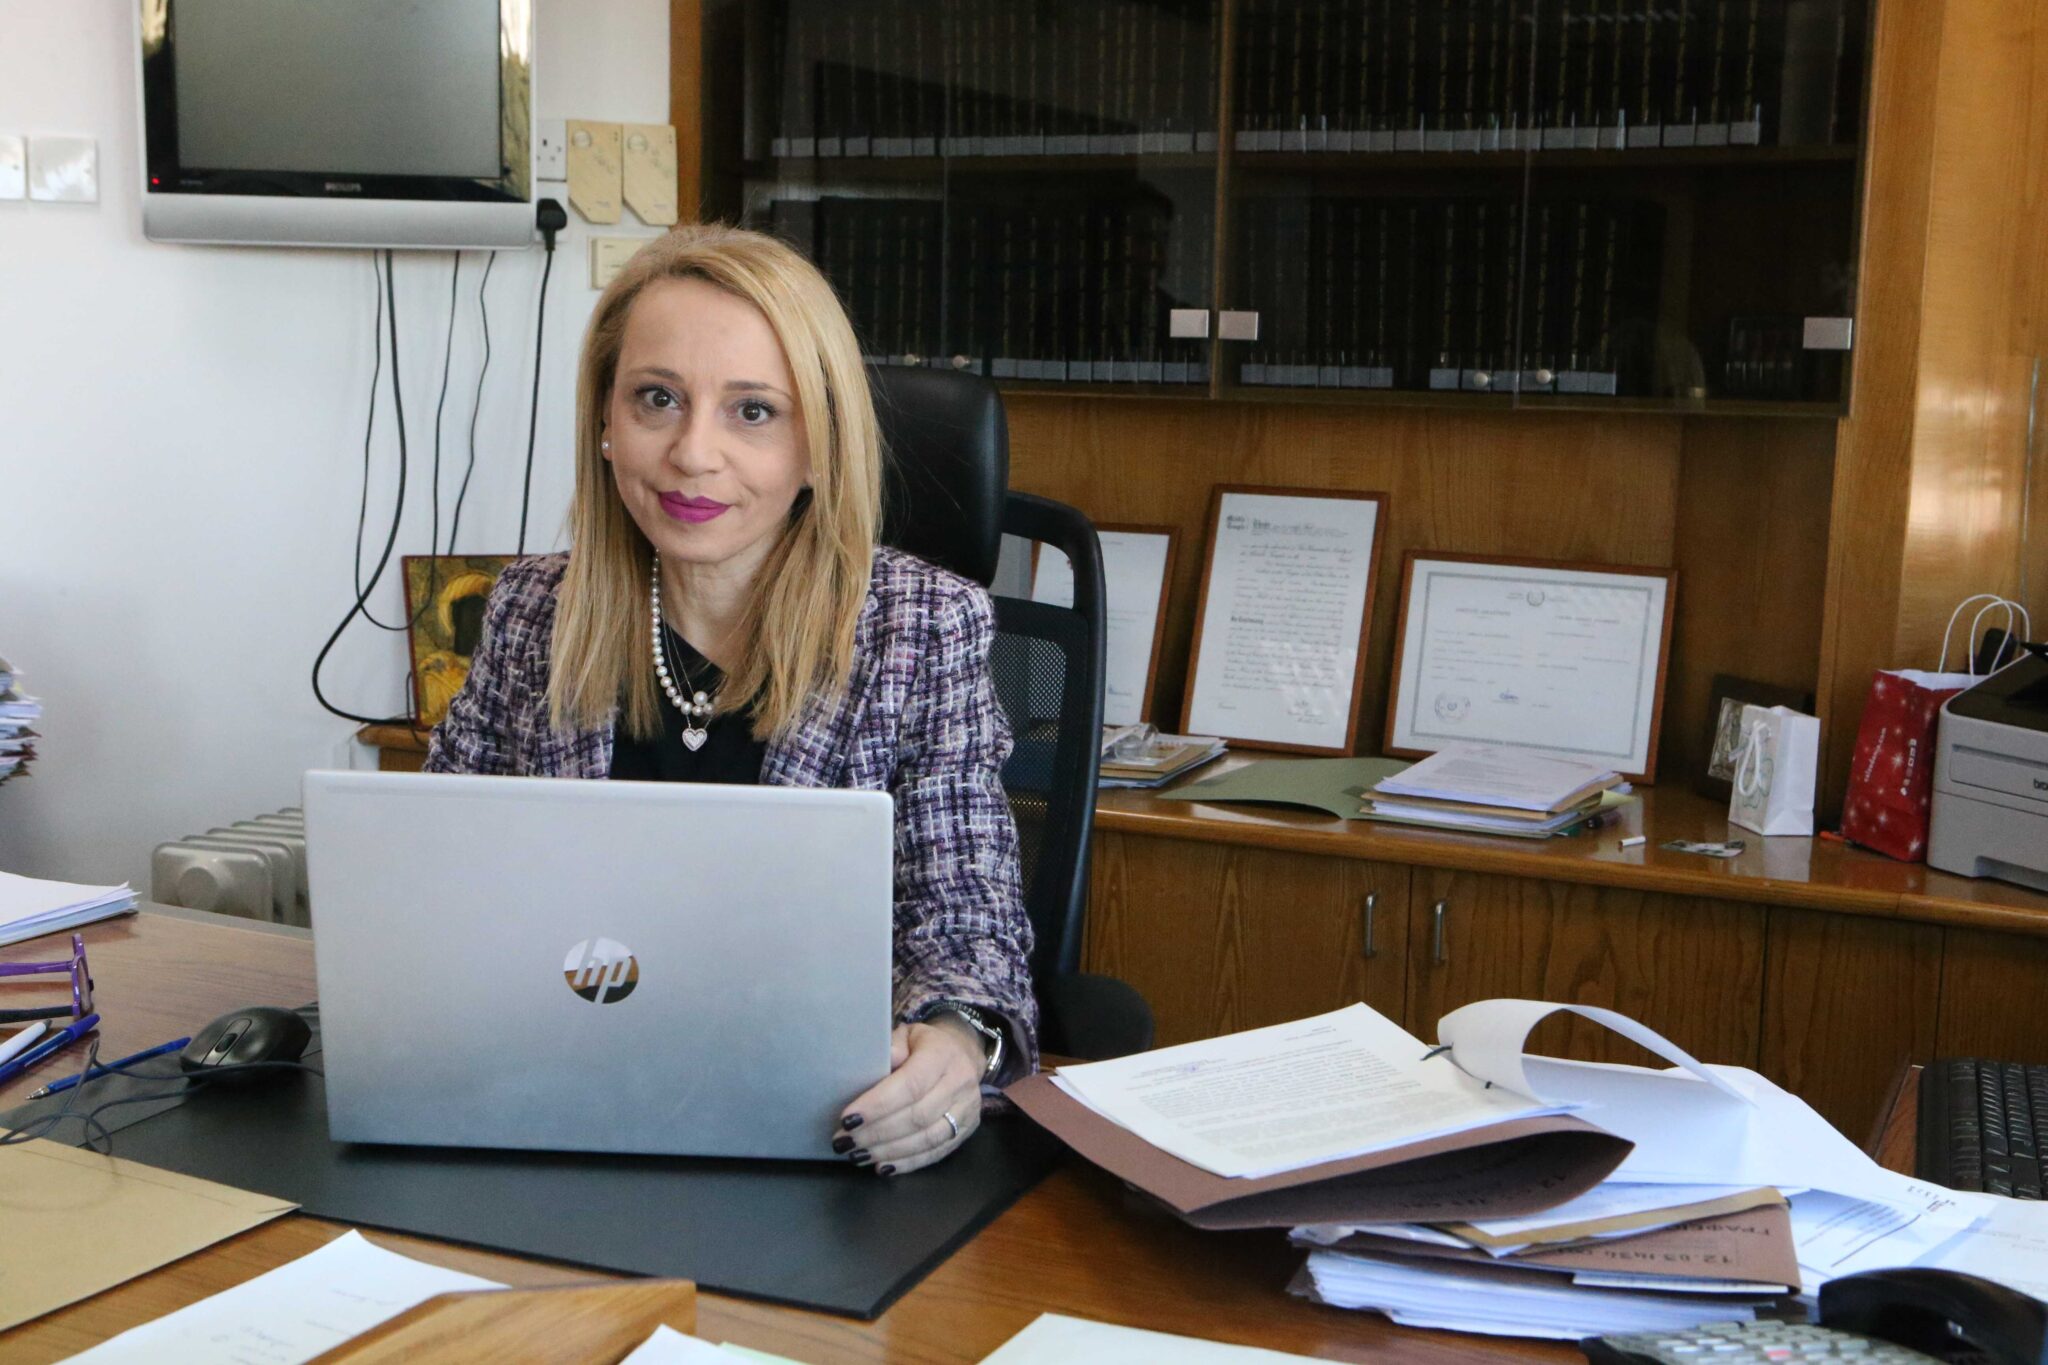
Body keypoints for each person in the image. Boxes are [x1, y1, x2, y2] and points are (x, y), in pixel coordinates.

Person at [425, 223, 1035, 1176]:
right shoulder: (533, 610)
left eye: (753, 411)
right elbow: (435, 875)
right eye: (656, 399)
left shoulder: (922, 628)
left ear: (818, 444)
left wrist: (956, 1044)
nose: (692, 453)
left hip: (815, 1133)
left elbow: (968, 923)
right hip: (554, 1100)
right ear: (605, 422)